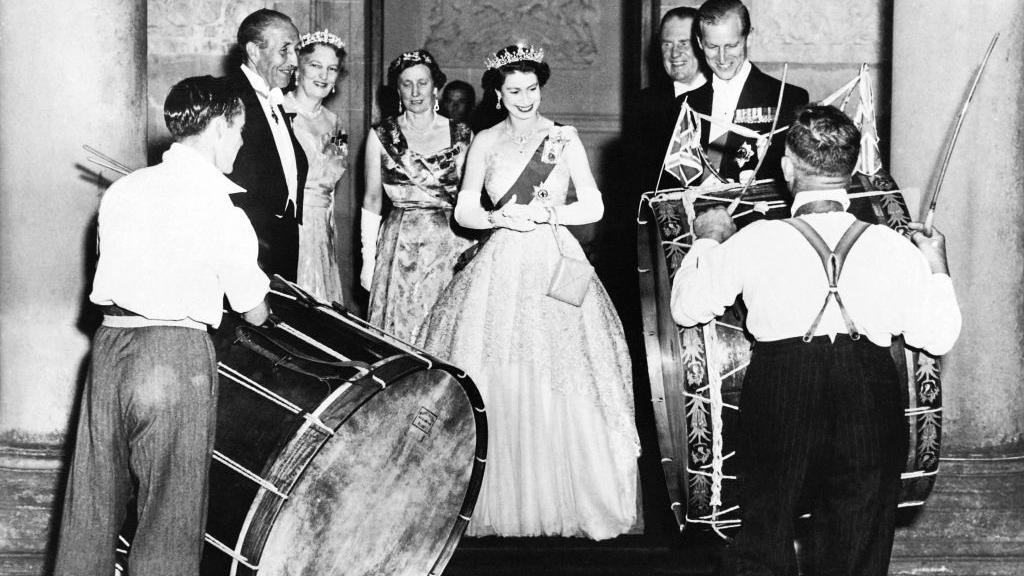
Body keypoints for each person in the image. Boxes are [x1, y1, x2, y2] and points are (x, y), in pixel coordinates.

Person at [670, 105, 962, 576]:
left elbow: (685, 306)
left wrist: (708, 241)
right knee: (858, 546)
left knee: (764, 538)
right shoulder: (893, 246)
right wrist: (936, 265)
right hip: (868, 388)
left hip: (782, 386)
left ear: (787, 167)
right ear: (848, 170)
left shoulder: (757, 239)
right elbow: (940, 334)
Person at [417, 44, 641, 540]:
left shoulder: (562, 139)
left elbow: (596, 206)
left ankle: (575, 493)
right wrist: (499, 217)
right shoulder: (485, 142)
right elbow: (464, 212)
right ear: (497, 94)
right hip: (502, 263)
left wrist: (550, 214)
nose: (525, 99)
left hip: (555, 260)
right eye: (513, 90)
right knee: (501, 366)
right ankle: (504, 495)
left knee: (564, 367)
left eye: (532, 89)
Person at [53, 76, 270, 576]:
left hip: (108, 349)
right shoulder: (220, 206)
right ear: (217, 127)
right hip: (174, 356)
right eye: (238, 130)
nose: (240, 142)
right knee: (171, 512)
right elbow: (252, 305)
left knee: (90, 504)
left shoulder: (124, 190)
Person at [361, 49, 474, 342]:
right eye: (406, 84)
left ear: (435, 87)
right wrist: (367, 261)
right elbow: (372, 200)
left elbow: (471, 198)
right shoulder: (382, 135)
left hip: (450, 245)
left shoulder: (463, 135)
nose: (415, 92)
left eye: (422, 83)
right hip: (399, 247)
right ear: (397, 90)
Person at [226, 8, 309, 281]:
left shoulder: (275, 99)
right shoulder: (227, 97)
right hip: (246, 246)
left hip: (283, 243)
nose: (294, 61)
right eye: (285, 50)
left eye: (296, 50)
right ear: (254, 51)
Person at [687, 0, 808, 184]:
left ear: (748, 38)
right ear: (700, 43)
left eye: (731, 46)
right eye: (712, 46)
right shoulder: (685, 104)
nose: (722, 57)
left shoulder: (788, 99)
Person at [284, 29, 348, 303]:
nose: (323, 75)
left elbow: (332, 181)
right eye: (315, 66)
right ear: (298, 69)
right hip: (290, 224)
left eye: (332, 68)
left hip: (322, 229)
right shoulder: (279, 111)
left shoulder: (335, 123)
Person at [637, 6, 707, 192]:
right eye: (667, 44)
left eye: (684, 43)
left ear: (702, 45)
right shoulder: (644, 104)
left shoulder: (721, 98)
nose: (675, 54)